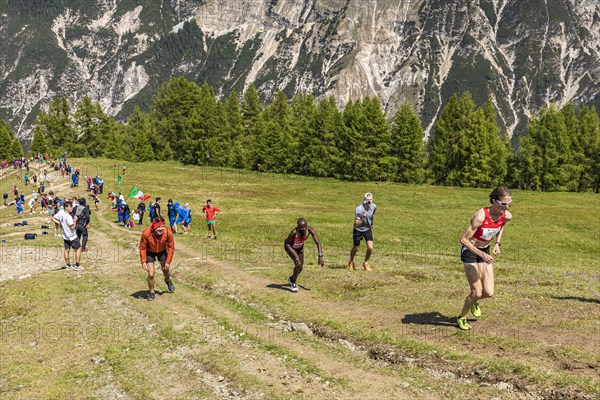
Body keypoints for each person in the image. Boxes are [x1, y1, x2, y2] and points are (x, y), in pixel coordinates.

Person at [456, 186, 513, 331]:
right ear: (494, 201)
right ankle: (461, 317)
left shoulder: (506, 215)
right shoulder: (481, 216)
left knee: (488, 292)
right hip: (470, 251)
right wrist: (482, 254)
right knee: (477, 292)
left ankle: (474, 301)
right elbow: (463, 240)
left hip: (485, 251)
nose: (507, 207)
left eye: (509, 203)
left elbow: (501, 226)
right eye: (503, 204)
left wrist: (497, 243)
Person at [139, 217, 175, 301]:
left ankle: (167, 280)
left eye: (162, 226)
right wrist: (143, 261)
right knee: (151, 274)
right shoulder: (146, 233)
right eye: (158, 227)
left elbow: (171, 247)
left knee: (165, 269)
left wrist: (168, 262)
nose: (161, 229)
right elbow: (142, 248)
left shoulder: (168, 232)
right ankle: (151, 292)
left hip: (162, 251)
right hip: (150, 251)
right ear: (154, 226)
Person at [284, 218, 324, 292]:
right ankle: (293, 283)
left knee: (301, 267)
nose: (303, 229)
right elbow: (287, 244)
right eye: (301, 227)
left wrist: (320, 256)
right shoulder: (294, 232)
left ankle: (291, 278)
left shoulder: (309, 230)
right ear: (298, 226)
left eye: (304, 227)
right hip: (290, 247)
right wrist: (296, 257)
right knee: (298, 264)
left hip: (299, 248)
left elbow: (318, 242)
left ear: (307, 226)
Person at [348, 192, 376, 272]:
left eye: (370, 200)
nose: (369, 201)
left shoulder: (374, 206)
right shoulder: (359, 209)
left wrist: (372, 224)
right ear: (364, 200)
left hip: (367, 229)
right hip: (358, 229)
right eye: (367, 200)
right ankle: (351, 261)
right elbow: (357, 223)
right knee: (356, 247)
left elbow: (372, 215)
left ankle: (366, 263)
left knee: (370, 247)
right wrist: (362, 217)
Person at [52, 200, 83, 270]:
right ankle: (77, 265)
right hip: (72, 236)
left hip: (65, 236)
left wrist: (60, 223)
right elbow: (72, 227)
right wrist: (75, 220)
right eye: (70, 207)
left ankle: (68, 265)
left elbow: (53, 218)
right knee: (78, 249)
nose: (71, 208)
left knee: (66, 250)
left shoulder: (60, 213)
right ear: (66, 207)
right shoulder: (68, 217)